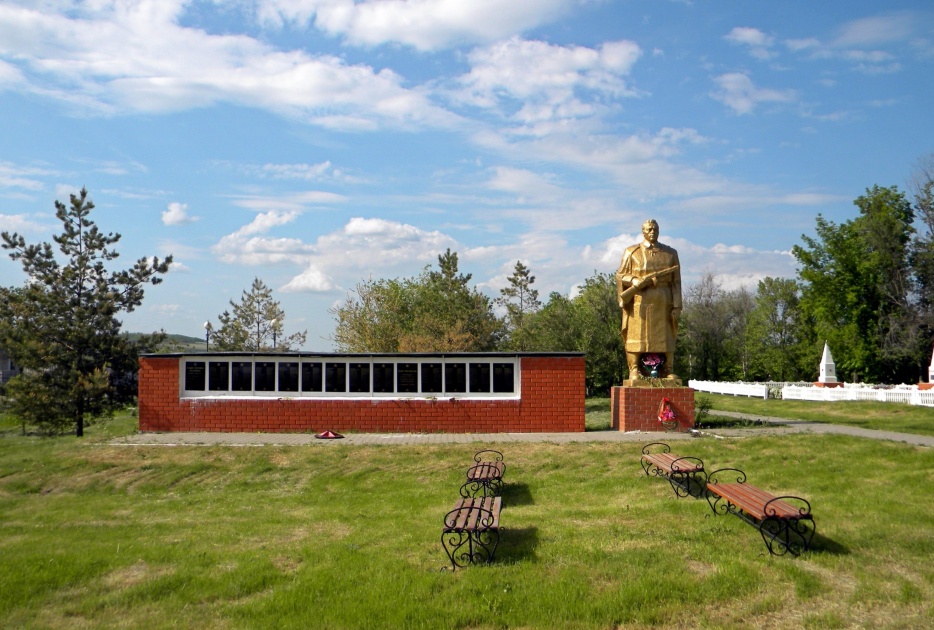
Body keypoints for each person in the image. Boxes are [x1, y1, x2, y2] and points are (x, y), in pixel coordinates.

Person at [615, 219, 682, 380]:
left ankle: (667, 369)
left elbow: (676, 282)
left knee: (665, 335)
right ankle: (635, 369)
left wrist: (677, 305)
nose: (653, 232)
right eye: (649, 229)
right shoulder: (632, 251)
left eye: (655, 229)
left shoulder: (670, 253)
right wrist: (634, 281)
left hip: (663, 301)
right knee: (637, 335)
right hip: (640, 300)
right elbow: (619, 275)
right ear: (643, 231)